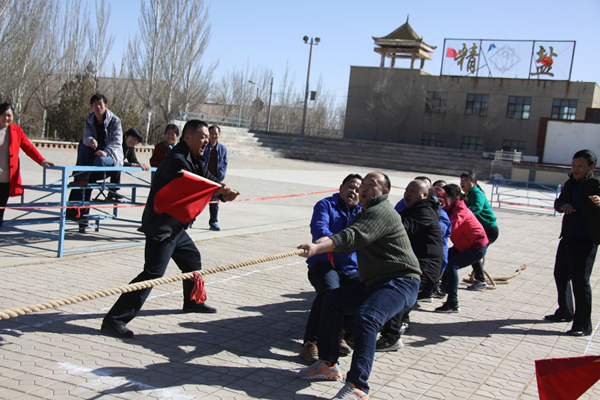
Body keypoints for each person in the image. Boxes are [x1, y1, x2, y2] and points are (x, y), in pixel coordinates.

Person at [101, 120, 239, 339]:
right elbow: (197, 186)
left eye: (208, 136)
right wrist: (220, 191)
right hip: (161, 227)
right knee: (152, 274)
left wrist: (224, 192)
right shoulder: (177, 159)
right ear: (188, 137)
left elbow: (209, 178)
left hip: (176, 227)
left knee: (191, 259)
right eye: (203, 136)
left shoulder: (194, 158)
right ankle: (114, 320)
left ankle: (192, 301)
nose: (207, 140)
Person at [296, 172, 421, 400]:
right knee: (333, 300)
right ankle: (328, 365)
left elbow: (352, 236)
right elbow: (346, 236)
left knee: (367, 317)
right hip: (374, 282)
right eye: (363, 184)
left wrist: (319, 247)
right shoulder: (362, 212)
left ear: (384, 192)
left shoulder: (381, 211)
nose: (363, 188)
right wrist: (324, 243)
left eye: (371, 184)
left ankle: (357, 386)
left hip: (401, 282)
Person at [300, 174, 362, 364]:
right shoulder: (325, 205)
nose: (354, 192)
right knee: (329, 292)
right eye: (351, 186)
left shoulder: (363, 212)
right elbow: (320, 231)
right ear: (341, 187)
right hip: (324, 264)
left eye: (359, 190)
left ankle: (341, 333)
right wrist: (341, 242)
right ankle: (310, 342)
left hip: (351, 267)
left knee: (368, 289)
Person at [377, 179, 443, 352]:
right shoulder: (413, 209)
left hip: (425, 267)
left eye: (413, 191)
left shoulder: (424, 212)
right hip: (415, 263)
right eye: (407, 190)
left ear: (424, 195)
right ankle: (400, 322)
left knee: (398, 289)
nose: (408, 194)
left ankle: (391, 337)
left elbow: (402, 229)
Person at [545, 149, 600, 336]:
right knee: (560, 274)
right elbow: (558, 202)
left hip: (586, 240)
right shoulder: (570, 184)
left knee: (580, 281)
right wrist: (563, 206)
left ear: (591, 167)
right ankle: (565, 311)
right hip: (568, 236)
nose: (575, 169)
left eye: (580, 166)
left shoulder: (596, 185)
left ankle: (582, 326)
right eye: (573, 165)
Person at [435, 184, 488, 313]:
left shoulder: (460, 210)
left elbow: (450, 226)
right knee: (445, 260)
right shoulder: (450, 207)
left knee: (452, 265)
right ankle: (443, 289)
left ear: (453, 197)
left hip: (476, 245)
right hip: (464, 245)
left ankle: (452, 302)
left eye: (445, 196)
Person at [0, 103, 54, 228]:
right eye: (3, 115)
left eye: (9, 115)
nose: (6, 118)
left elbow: (28, 147)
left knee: (0, 213)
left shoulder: (16, 131)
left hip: (6, 181)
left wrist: (41, 160)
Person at [71, 94, 123, 186]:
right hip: (96, 150)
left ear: (106, 106)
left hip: (111, 154)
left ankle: (86, 174)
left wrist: (105, 152)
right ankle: (83, 179)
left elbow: (117, 141)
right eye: (95, 104)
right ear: (91, 106)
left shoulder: (115, 121)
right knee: (83, 146)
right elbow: (86, 136)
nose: (98, 107)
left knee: (99, 161)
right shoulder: (89, 120)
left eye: (100, 104)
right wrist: (90, 140)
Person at [460, 171, 499, 290]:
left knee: (475, 253)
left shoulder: (477, 194)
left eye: (466, 181)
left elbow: (476, 208)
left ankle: (480, 280)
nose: (462, 183)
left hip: (489, 230)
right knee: (474, 252)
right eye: (461, 180)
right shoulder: (469, 194)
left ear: (473, 182)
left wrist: (462, 213)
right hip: (481, 231)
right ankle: (479, 278)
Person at [105, 127, 151, 202]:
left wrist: (141, 165)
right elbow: (116, 161)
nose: (133, 141)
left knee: (118, 168)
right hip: (102, 169)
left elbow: (133, 160)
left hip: (112, 171)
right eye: (132, 138)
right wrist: (133, 165)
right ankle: (112, 192)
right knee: (118, 166)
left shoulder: (130, 148)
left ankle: (112, 192)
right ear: (126, 136)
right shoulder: (118, 144)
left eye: (136, 140)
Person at [428, 186, 453, 297]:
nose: (427, 199)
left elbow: (437, 233)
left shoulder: (442, 216)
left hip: (438, 255)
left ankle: (430, 291)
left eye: (430, 196)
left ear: (441, 201)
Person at [203, 125, 228, 231]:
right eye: (211, 133)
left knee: (215, 202)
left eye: (215, 134)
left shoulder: (222, 149)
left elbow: (225, 163)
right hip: (203, 178)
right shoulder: (203, 146)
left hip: (215, 180)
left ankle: (213, 222)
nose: (213, 136)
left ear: (219, 135)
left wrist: (221, 175)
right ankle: (190, 220)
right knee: (197, 201)